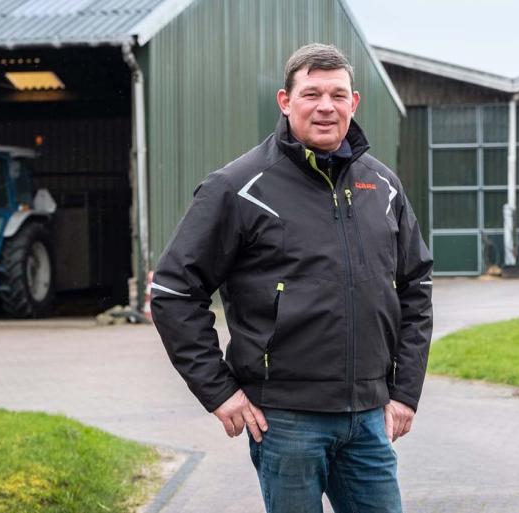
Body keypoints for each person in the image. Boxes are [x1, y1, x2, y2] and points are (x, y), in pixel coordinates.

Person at [151, 43, 433, 513]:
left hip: (368, 418)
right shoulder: (237, 187)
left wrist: (405, 393)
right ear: (285, 101)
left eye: (338, 95)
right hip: (285, 422)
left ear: (354, 102)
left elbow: (417, 287)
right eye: (312, 94)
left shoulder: (382, 186)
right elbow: (174, 291)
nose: (326, 107)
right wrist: (219, 392)